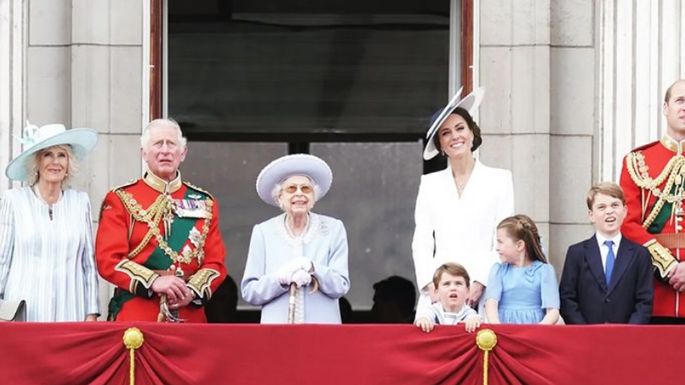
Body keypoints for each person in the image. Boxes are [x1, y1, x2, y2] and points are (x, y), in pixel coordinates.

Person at [96, 118, 227, 322]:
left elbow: (215, 263)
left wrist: (191, 291)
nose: (165, 150)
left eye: (171, 144)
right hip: (137, 314)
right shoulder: (120, 198)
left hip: (189, 315)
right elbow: (108, 259)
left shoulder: (205, 202)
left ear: (182, 153)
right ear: (144, 153)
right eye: (158, 144)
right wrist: (154, 281)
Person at [412, 87, 514, 315]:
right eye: (446, 133)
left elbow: (502, 239)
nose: (455, 136)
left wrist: (480, 282)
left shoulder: (500, 179)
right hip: (438, 291)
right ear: (440, 144)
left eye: (460, 128)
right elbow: (422, 240)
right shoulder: (430, 184)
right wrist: (430, 285)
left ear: (472, 133)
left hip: (485, 291)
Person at [0, 122, 100, 321]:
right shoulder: (14, 200)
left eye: (62, 155)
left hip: (71, 314)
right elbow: (2, 259)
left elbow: (88, 264)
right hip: (24, 315)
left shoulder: (80, 202)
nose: (55, 162)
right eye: (48, 154)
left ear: (69, 163)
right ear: (36, 162)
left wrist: (92, 313)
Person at [241, 154, 350, 323]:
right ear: (280, 197)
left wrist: (313, 268)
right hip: (276, 335)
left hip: (322, 333)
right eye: (291, 188)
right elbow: (250, 292)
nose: (299, 194)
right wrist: (280, 279)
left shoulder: (334, 229)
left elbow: (341, 286)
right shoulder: (263, 232)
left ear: (314, 197)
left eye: (306, 189)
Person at [620, 79, 685, 323]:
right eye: (680, 101)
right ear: (665, 108)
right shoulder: (637, 161)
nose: (684, 108)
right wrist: (669, 267)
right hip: (653, 291)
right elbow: (628, 223)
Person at [559, 183, 653, 324]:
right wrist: (584, 332)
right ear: (591, 215)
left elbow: (644, 302)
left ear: (625, 210)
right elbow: (567, 298)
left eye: (615, 205)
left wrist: (630, 333)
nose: (609, 211)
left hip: (627, 338)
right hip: (586, 337)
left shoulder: (640, 254)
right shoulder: (576, 253)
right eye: (602, 207)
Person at [483, 215, 560, 324]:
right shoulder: (498, 271)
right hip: (505, 332)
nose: (497, 247)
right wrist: (498, 329)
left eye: (500, 242)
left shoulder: (544, 271)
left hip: (534, 333)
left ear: (519, 245)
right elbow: (491, 304)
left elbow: (553, 311)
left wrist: (536, 331)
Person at [414, 263, 481, 333]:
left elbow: (475, 319)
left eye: (458, 283)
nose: (453, 288)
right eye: (447, 284)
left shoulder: (469, 313)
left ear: (467, 291)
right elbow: (424, 316)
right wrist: (423, 320)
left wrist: (473, 321)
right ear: (436, 291)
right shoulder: (432, 310)